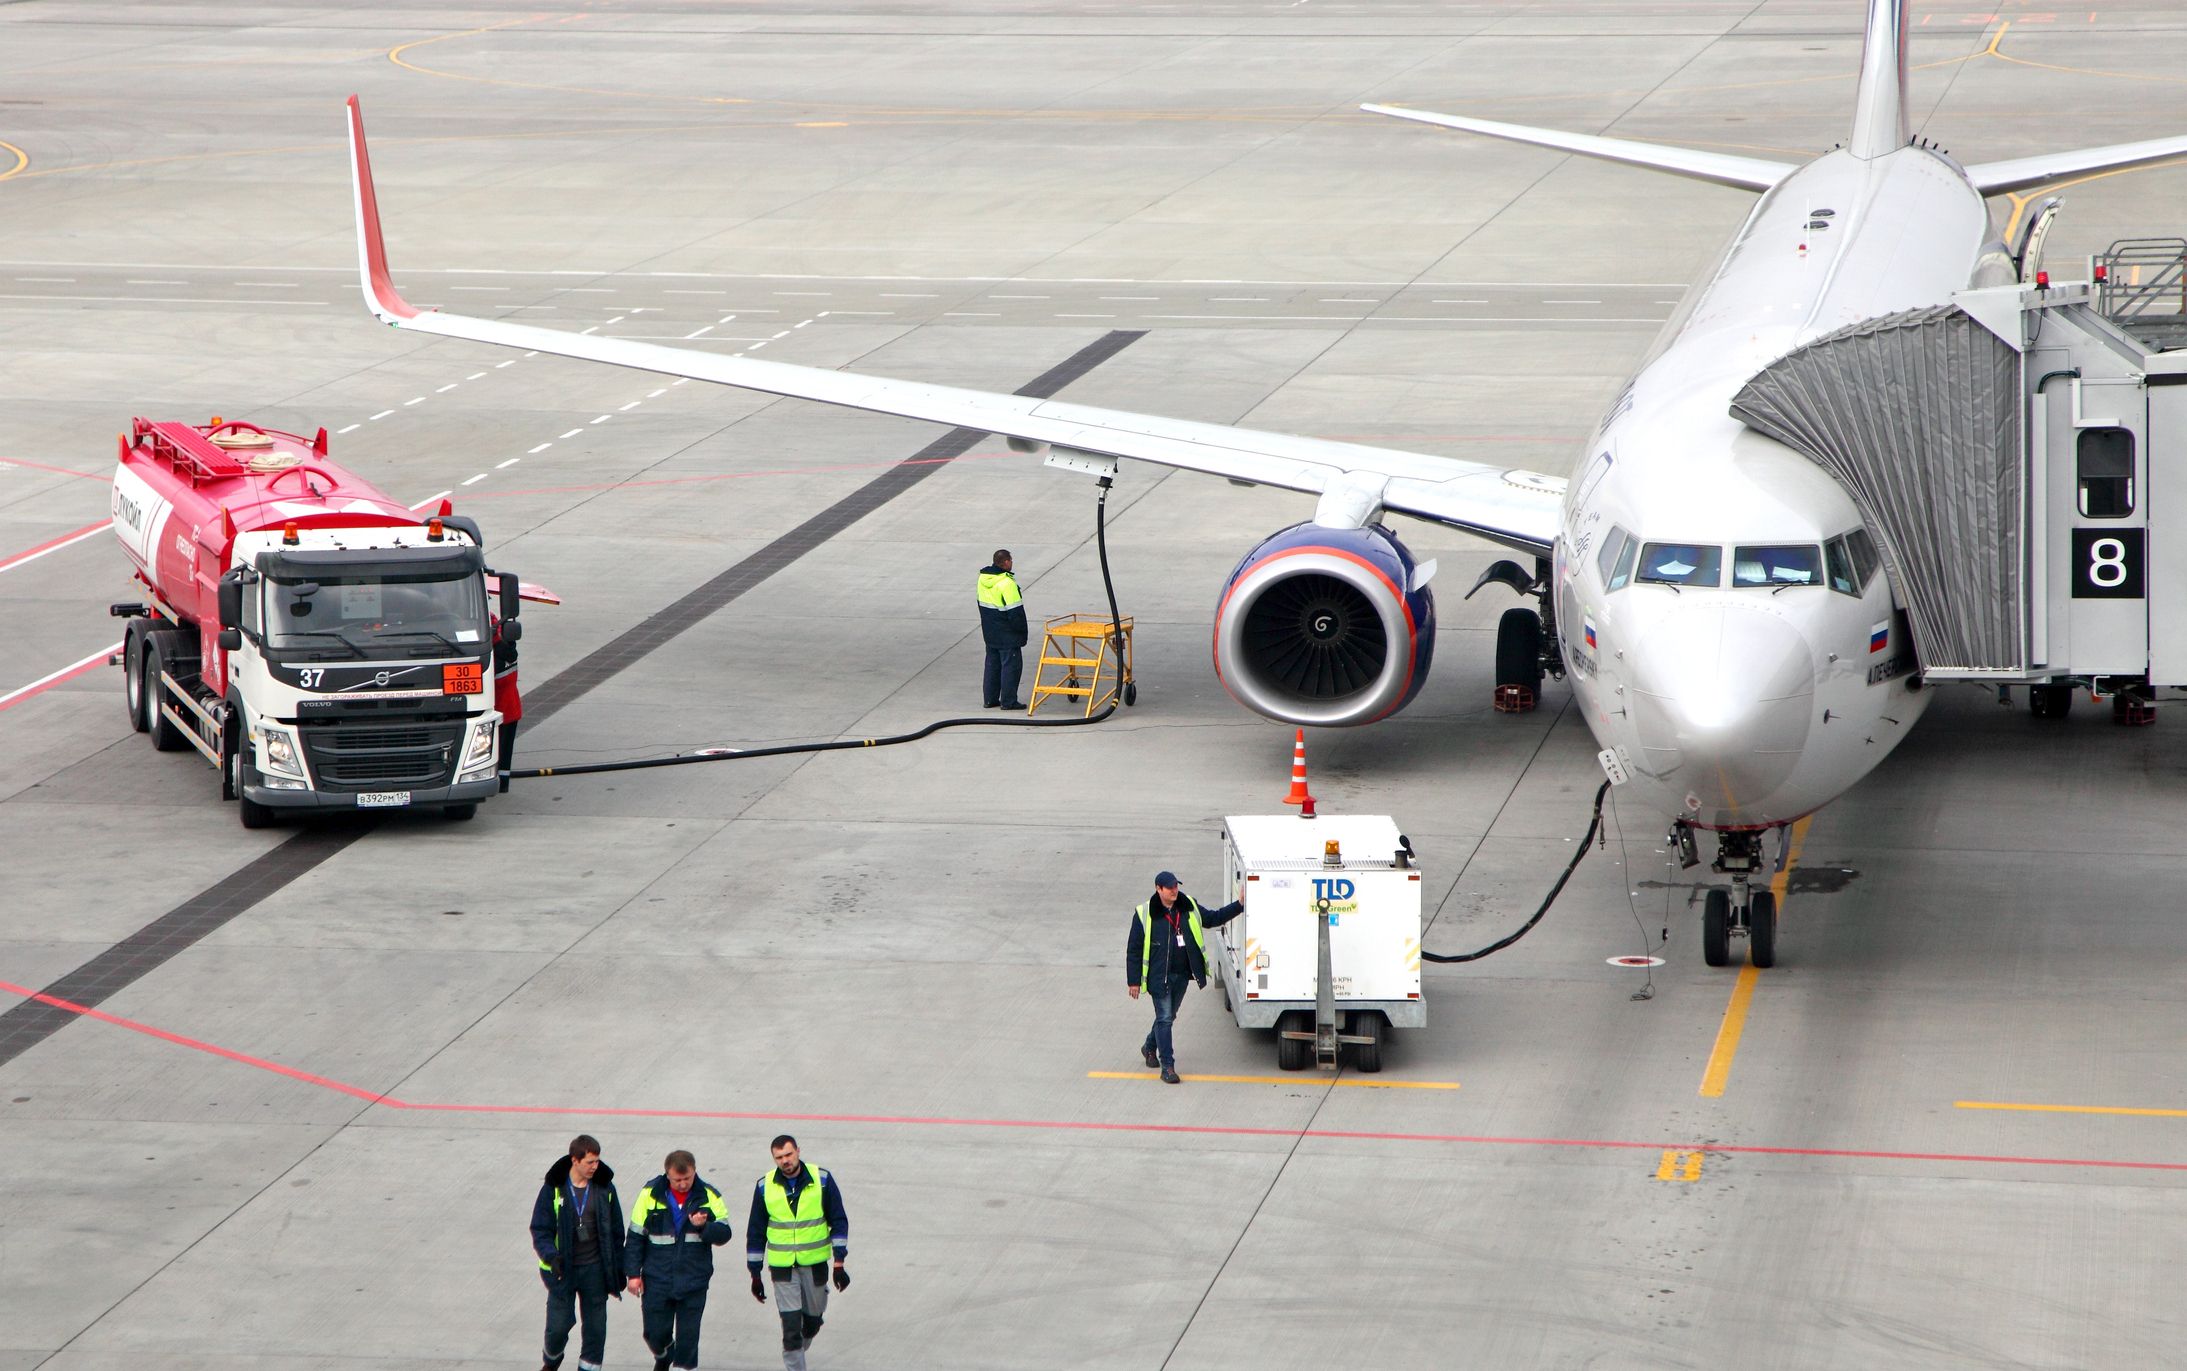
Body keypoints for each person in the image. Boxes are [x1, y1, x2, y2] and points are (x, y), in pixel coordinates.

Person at [1126, 870, 1244, 1083]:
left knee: (1169, 1015)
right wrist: (1133, 981)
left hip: (1181, 975)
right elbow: (1134, 950)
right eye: (1169, 887)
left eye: (1176, 886)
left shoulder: (1188, 905)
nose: (1174, 890)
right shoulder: (1144, 913)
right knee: (1164, 1018)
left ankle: (1149, 1046)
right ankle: (1168, 1067)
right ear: (1158, 889)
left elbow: (1213, 918)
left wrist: (1239, 905)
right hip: (1158, 976)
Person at [624, 1149, 735, 1371]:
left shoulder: (709, 1196)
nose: (683, 1184)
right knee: (653, 1333)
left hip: (694, 1280)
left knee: (689, 1338)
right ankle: (664, 1355)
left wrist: (704, 1227)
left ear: (694, 1171)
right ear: (667, 1175)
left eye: (687, 1178)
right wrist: (633, 1274)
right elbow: (635, 1236)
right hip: (657, 1279)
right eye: (678, 1180)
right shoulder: (649, 1195)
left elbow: (724, 1234)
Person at [746, 1135, 849, 1371]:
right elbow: (756, 1231)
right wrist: (755, 1274)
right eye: (779, 1157)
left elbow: (839, 1220)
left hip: (814, 1265)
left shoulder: (822, 1179)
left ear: (798, 1152)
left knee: (811, 1322)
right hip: (782, 1267)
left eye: (789, 1155)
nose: (785, 1161)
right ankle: (795, 1365)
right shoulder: (764, 1186)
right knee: (791, 1328)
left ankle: (800, 1345)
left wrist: (839, 1262)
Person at [529, 1134, 629, 1371]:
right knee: (558, 1326)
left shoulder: (606, 1188)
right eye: (590, 1162)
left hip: (595, 1269)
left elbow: (616, 1231)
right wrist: (551, 1257)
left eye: (597, 1161)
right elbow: (540, 1229)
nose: (595, 1167)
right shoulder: (553, 1189)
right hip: (562, 1270)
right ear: (575, 1160)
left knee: (596, 1329)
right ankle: (551, 1360)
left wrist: (619, 1268)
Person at [976, 549, 1028, 710]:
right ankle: (1009, 701)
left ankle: (990, 699)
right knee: (1010, 667)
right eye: (1010, 560)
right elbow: (1016, 613)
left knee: (992, 665)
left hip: (990, 631)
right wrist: (1021, 633)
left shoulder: (983, 579)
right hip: (1007, 634)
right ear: (1006, 562)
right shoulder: (1007, 584)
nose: (1011, 562)